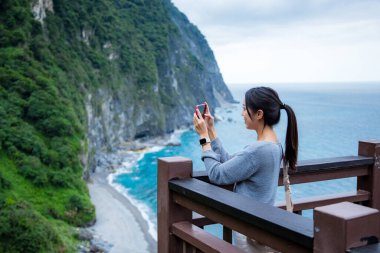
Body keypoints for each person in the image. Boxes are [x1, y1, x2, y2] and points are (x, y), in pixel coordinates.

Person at [193, 86, 298, 253]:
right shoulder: (274, 145)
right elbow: (231, 164)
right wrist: (211, 130)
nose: (242, 113)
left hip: (250, 230)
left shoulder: (258, 150)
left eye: (244, 109)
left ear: (259, 114)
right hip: (261, 225)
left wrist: (203, 138)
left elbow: (217, 174)